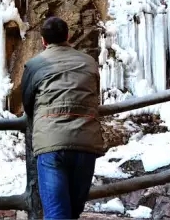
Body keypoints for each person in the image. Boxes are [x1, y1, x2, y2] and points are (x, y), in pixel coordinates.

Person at [21, 16, 105, 220]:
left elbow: (27, 103)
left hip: (51, 144)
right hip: (85, 143)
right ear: (68, 36)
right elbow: (95, 95)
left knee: (57, 214)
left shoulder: (35, 65)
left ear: (43, 40)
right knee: (73, 212)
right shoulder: (90, 62)